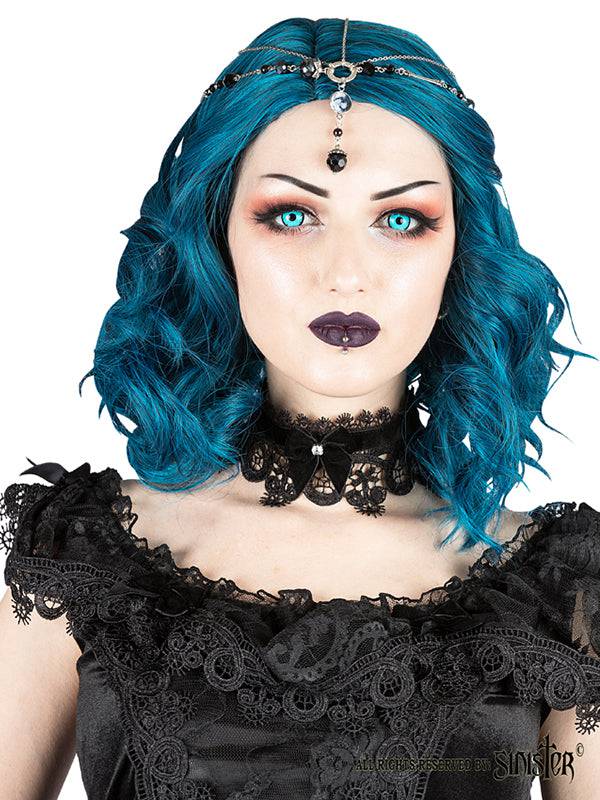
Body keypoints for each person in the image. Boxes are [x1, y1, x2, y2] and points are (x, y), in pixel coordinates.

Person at [1, 15, 599, 800]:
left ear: (459, 250)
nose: (345, 274)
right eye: (292, 215)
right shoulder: (79, 556)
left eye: (401, 220)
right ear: (218, 239)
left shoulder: (557, 586)